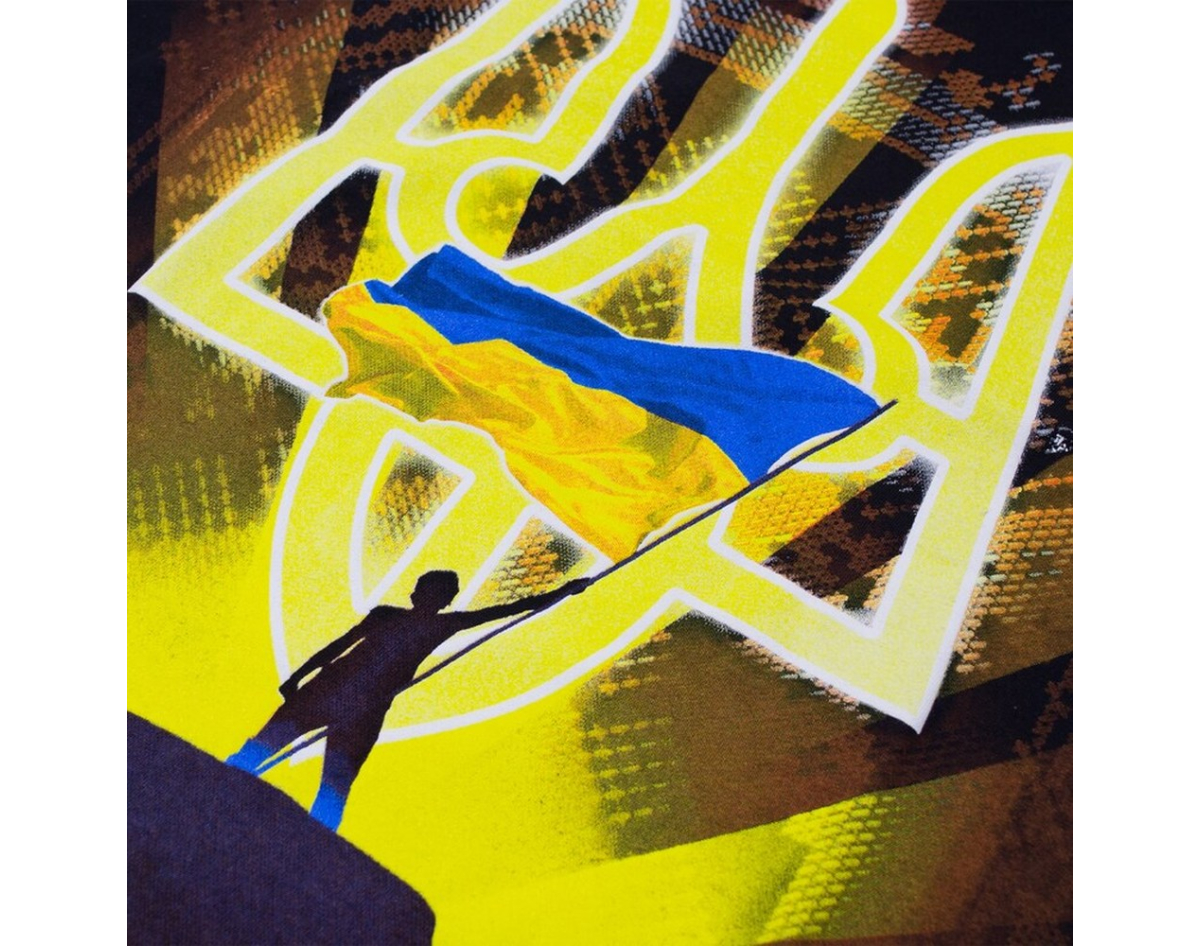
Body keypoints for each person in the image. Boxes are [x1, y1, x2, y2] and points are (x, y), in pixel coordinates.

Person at [227, 569, 589, 830]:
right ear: (416, 593)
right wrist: (298, 677)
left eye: (436, 594)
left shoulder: (442, 624)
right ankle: (221, 792)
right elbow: (341, 646)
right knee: (263, 750)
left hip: (362, 707)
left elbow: (512, 608)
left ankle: (313, 847)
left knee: (333, 785)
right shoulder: (388, 615)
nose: (426, 598)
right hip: (330, 692)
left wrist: (566, 590)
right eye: (425, 591)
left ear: (442, 601)